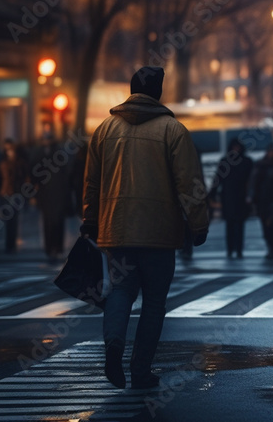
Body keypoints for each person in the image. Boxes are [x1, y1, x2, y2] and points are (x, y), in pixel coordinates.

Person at [82, 66, 209, 389]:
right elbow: (189, 183)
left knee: (120, 291)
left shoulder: (105, 130)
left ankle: (113, 344)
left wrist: (90, 219)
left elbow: (91, 183)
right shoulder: (173, 130)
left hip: (116, 229)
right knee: (154, 301)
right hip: (159, 234)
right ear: (159, 93)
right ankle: (140, 370)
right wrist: (198, 224)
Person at [32, 133, 75, 262]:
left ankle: (55, 247)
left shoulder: (49, 154)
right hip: (50, 194)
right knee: (50, 222)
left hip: (56, 193)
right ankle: (52, 247)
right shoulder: (46, 154)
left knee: (55, 221)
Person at [209, 138, 254, 259]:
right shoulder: (229, 161)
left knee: (239, 226)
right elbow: (218, 179)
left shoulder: (245, 162)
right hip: (230, 197)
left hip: (239, 197)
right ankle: (231, 249)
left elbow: (252, 180)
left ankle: (238, 250)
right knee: (230, 226)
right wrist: (212, 194)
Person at [0, 138, 28, 253]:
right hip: (5, 192)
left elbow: (22, 176)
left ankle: (11, 243)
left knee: (13, 218)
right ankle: (9, 243)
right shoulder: (2, 162)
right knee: (7, 219)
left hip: (15, 192)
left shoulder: (19, 162)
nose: (9, 151)